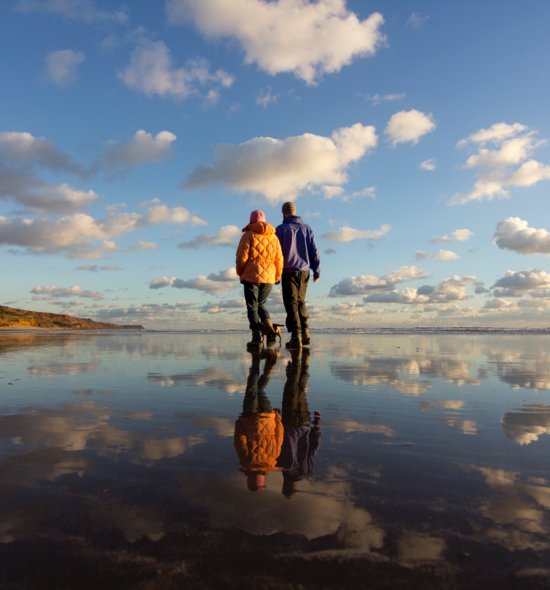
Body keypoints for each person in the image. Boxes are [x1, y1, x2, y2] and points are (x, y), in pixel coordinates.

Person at [234, 349, 283, 491]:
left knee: (259, 390)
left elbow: (279, 436)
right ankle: (256, 359)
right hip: (249, 418)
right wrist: (239, 423)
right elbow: (240, 440)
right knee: (252, 387)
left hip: (268, 416)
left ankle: (269, 368)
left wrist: (277, 418)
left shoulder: (273, 460)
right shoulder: (247, 461)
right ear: (249, 478)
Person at [236, 209, 283, 349]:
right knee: (261, 304)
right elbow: (279, 259)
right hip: (269, 276)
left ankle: (256, 337)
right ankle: (269, 328)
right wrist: (277, 276)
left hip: (251, 275)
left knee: (252, 306)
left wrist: (240, 272)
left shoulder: (248, 235)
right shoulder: (274, 237)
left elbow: (241, 257)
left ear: (251, 221)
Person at [275, 201, 321, 349]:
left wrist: (276, 274)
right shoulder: (306, 228)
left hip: (288, 271)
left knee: (291, 303)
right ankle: (305, 334)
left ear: (284, 213)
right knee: (300, 301)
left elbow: (276, 254)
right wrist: (317, 270)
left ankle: (296, 336)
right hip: (305, 271)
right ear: (295, 212)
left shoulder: (281, 229)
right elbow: (314, 250)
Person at [277, 348, 321, 498]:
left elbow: (313, 448)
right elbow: (277, 442)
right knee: (291, 388)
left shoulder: (306, 471)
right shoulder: (282, 467)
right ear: (286, 486)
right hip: (290, 422)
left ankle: (304, 363)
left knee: (300, 390)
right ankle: (296, 357)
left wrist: (316, 425)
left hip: (304, 422)